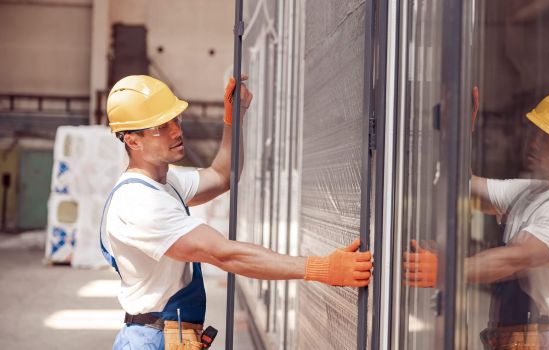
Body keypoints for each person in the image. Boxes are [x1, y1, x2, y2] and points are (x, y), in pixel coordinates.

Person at [100, 75, 373, 350]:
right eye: (162, 126)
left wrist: (234, 118)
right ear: (133, 141)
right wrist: (320, 268)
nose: (176, 131)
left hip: (168, 335)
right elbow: (223, 253)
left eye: (176, 120)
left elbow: (222, 176)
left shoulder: (167, 183)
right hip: (151, 340)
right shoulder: (138, 201)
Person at [403, 92, 549, 350]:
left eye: (546, 139)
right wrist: (459, 134)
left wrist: (448, 270)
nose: (533, 143)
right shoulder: (529, 191)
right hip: (510, 336)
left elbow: (514, 260)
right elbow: (464, 188)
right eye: (534, 132)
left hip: (538, 340)